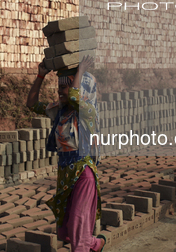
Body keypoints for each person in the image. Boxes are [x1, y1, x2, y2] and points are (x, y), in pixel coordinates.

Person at [26, 55, 106, 252]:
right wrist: (40, 75)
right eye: (59, 87)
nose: (59, 91)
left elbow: (74, 97)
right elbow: (31, 103)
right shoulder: (59, 111)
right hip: (65, 176)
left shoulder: (88, 112)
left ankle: (88, 244)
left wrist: (79, 71)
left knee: (78, 232)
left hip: (83, 174)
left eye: (64, 86)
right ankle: (95, 244)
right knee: (65, 231)